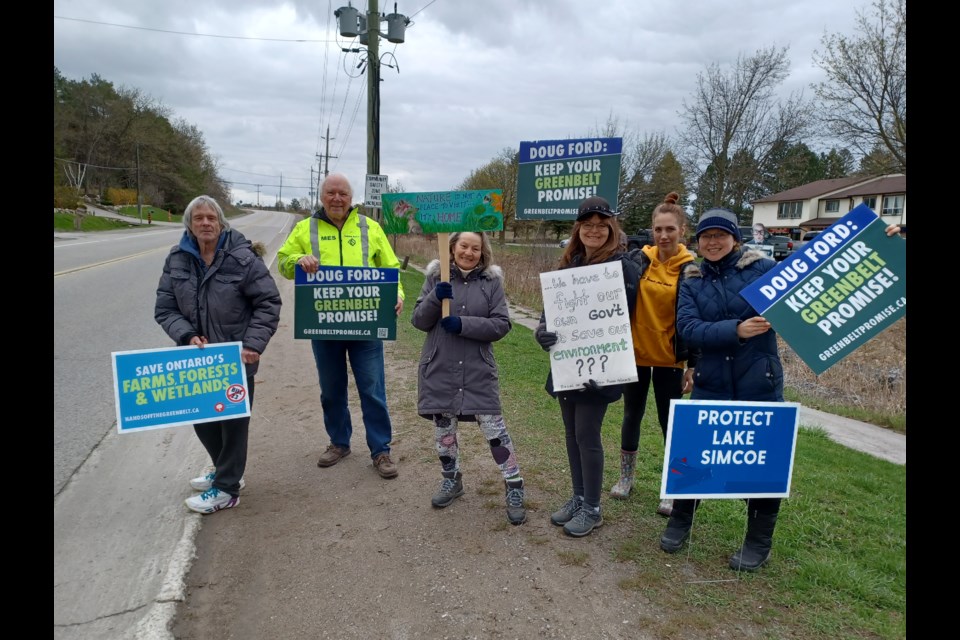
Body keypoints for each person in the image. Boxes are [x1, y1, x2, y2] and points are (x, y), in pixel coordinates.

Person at [661, 209, 901, 571]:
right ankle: (680, 521)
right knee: (694, 457)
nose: (712, 242)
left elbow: (822, 272)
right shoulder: (690, 277)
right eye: (706, 236)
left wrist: (880, 241)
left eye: (720, 235)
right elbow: (688, 329)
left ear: (735, 239)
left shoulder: (765, 271)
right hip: (711, 383)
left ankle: (758, 542)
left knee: (762, 463)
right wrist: (737, 330)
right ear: (697, 242)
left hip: (760, 381)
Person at [155, 195, 282, 514]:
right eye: (198, 218)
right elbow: (165, 308)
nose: (205, 223)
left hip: (235, 358)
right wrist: (185, 334)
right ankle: (223, 470)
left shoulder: (242, 258)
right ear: (190, 224)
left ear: (222, 222)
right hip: (195, 359)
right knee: (202, 419)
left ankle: (227, 488)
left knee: (233, 423)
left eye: (211, 217)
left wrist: (253, 344)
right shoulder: (177, 259)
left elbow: (268, 303)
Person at [276, 174, 405, 479]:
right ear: (322, 197)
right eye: (331, 193)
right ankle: (339, 442)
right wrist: (298, 259)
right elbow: (282, 262)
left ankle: (380, 450)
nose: (337, 198)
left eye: (342, 194)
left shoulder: (369, 227)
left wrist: (396, 293)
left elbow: (390, 267)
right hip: (324, 325)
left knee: (372, 389)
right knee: (331, 389)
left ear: (351, 197)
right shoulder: (304, 228)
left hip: (365, 324)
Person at [534, 196, 640, 538]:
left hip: (601, 367)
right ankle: (579, 496)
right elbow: (550, 312)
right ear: (578, 229)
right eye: (588, 225)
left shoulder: (624, 267)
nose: (594, 230)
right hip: (568, 365)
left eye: (601, 225)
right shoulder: (568, 266)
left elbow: (628, 322)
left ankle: (593, 508)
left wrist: (613, 370)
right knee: (570, 433)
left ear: (611, 229)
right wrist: (541, 332)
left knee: (587, 434)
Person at [411, 232, 526, 525]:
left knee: (495, 432)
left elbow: (501, 325)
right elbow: (418, 321)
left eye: (476, 248)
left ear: (482, 252)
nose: (469, 252)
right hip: (440, 368)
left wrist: (462, 324)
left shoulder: (491, 282)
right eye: (464, 246)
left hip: (478, 370)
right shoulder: (436, 277)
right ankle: (452, 479)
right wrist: (436, 299)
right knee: (444, 432)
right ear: (452, 247)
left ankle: (514, 485)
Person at [612, 192, 698, 520]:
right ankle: (626, 477)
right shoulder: (638, 260)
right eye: (658, 229)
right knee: (631, 415)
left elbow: (696, 318)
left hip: (670, 360)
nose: (663, 236)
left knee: (670, 425)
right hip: (634, 355)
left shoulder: (690, 269)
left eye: (670, 230)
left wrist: (694, 363)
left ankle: (671, 488)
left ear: (682, 230)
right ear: (652, 230)